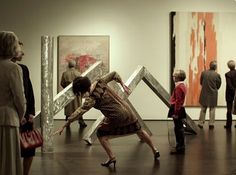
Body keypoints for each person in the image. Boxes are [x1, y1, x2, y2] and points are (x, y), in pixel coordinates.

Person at [54, 71, 160, 167]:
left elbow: (79, 112)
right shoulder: (100, 81)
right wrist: (122, 84)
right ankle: (154, 150)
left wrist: (65, 124)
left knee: (101, 134)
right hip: (127, 110)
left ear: (81, 90)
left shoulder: (91, 99)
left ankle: (112, 157)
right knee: (139, 130)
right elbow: (114, 74)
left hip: (117, 116)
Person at [0, 31, 26, 175]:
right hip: (9, 118)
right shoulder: (13, 68)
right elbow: (19, 98)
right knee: (8, 162)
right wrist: (20, 115)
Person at [11, 42, 36, 175]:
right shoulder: (7, 69)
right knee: (11, 150)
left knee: (29, 149)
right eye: (20, 50)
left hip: (26, 117)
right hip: (12, 116)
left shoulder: (24, 68)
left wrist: (31, 113)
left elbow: (29, 93)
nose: (23, 53)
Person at [60, 60, 87, 128]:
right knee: (78, 107)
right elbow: (82, 84)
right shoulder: (78, 73)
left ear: (68, 65)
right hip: (77, 94)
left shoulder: (64, 74)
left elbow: (62, 83)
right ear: (74, 65)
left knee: (68, 109)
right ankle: (81, 122)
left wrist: (67, 89)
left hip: (68, 94)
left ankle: (67, 123)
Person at [198, 60, 221, 129]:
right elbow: (218, 85)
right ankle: (211, 124)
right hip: (213, 94)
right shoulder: (217, 75)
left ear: (209, 66)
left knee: (203, 109)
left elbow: (201, 82)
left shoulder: (203, 73)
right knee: (212, 109)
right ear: (215, 67)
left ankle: (201, 123)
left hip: (204, 93)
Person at [168, 69, 187, 154]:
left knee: (178, 129)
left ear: (178, 77)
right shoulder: (182, 85)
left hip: (177, 109)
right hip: (179, 109)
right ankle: (180, 146)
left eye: (174, 76)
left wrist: (175, 113)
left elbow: (178, 101)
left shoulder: (179, 87)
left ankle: (179, 147)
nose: (173, 77)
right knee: (179, 128)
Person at [224, 60, 236, 129]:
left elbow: (229, 85)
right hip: (235, 93)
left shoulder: (227, 74)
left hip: (229, 94)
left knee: (229, 109)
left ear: (228, 66)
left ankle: (229, 125)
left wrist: (234, 92)